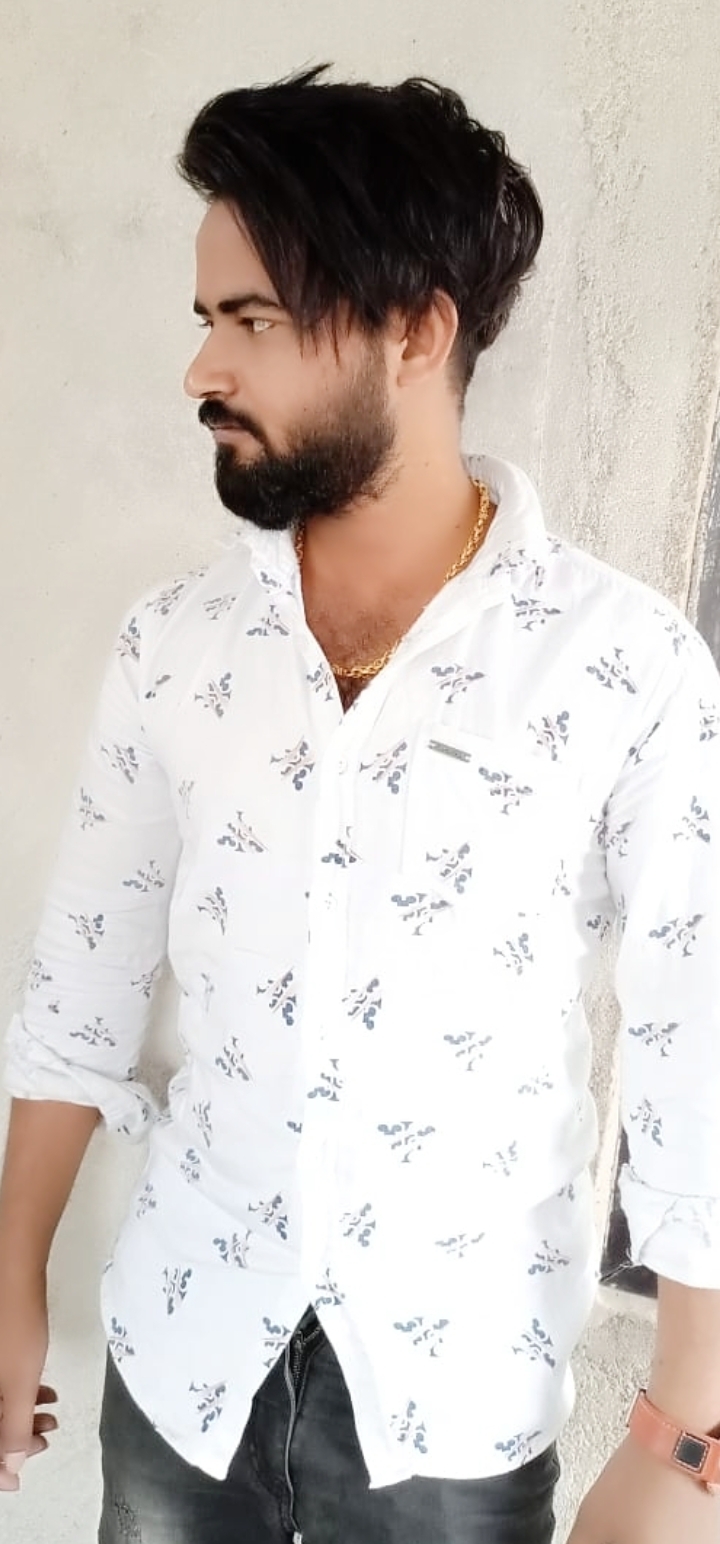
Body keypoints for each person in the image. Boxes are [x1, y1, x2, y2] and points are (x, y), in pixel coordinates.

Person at [1, 63, 719, 1544]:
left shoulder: (620, 664)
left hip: (452, 1407)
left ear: (416, 331)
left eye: (253, 320)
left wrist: (687, 1428)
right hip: (186, 1357)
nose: (203, 370)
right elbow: (83, 976)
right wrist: (9, 1278)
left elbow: (695, 1036)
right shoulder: (176, 646)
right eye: (207, 319)